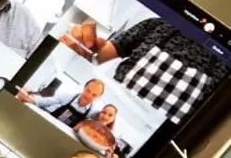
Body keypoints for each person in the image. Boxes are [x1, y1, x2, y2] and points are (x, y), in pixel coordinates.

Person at [60, 18, 229, 123]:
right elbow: (97, 56)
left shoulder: (226, 64)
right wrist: (80, 42)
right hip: (114, 100)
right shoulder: (158, 25)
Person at [17, 78, 106, 128]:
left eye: (94, 95)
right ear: (84, 87)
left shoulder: (93, 113)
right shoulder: (67, 96)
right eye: (88, 91)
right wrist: (28, 97)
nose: (89, 96)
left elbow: (102, 125)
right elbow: (44, 101)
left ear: (98, 97)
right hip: (47, 125)